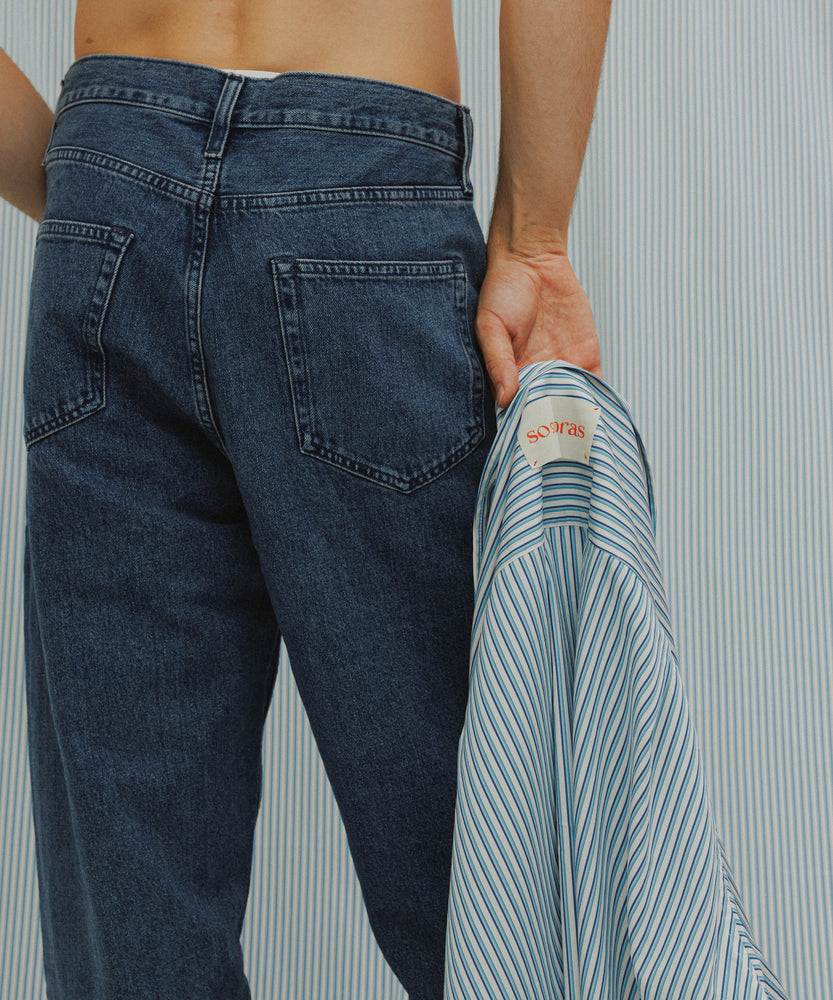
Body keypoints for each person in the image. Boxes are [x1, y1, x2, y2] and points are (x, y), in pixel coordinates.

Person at [1, 1, 611, 997]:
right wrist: (532, 241)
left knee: (134, 906)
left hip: (112, 173)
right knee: (480, 868)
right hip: (355, 182)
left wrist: (99, 192)